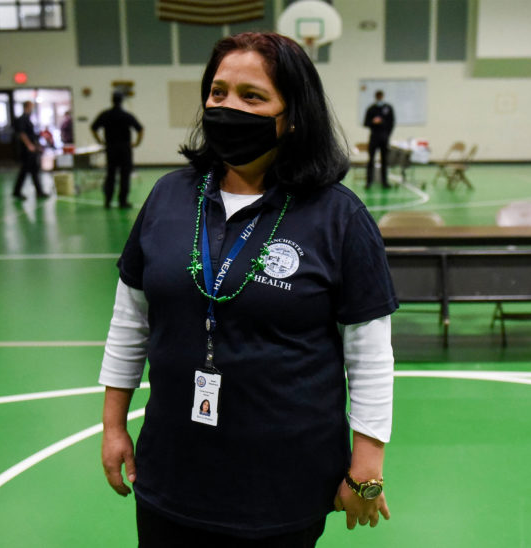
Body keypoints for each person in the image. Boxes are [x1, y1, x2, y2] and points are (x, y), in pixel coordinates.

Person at [99, 32, 397, 547]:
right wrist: (113, 425)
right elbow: (129, 318)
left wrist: (366, 466)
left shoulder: (337, 215)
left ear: (293, 114)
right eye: (218, 92)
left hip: (283, 482)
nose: (228, 107)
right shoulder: (169, 196)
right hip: (172, 471)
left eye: (252, 96)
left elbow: (369, 352)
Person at [91, 92, 144, 209]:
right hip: (125, 149)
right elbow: (140, 129)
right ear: (121, 101)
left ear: (112, 100)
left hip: (111, 148)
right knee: (125, 175)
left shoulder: (105, 115)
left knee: (110, 174)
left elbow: (93, 127)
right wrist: (137, 143)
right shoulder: (126, 115)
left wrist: (100, 141)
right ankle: (123, 201)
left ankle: (108, 201)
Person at [12, 100, 48, 200]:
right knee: (24, 171)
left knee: (34, 170)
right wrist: (29, 146)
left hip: (32, 149)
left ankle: (39, 191)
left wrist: (37, 145)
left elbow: (31, 135)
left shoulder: (28, 119)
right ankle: (17, 191)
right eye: (31, 106)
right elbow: (22, 134)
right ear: (27, 106)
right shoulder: (22, 119)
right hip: (26, 151)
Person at [362, 90, 395, 189]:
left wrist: (387, 133)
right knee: (371, 160)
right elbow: (366, 123)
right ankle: (369, 182)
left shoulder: (388, 108)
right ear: (376, 97)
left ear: (383, 96)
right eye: (378, 96)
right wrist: (373, 122)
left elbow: (391, 122)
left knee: (384, 160)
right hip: (374, 137)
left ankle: (385, 182)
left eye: (381, 96)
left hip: (384, 138)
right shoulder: (371, 109)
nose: (379, 98)